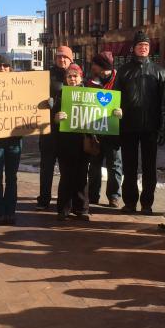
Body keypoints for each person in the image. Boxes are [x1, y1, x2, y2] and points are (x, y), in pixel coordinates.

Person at [54, 64, 122, 221]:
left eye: (75, 75)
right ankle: (63, 209)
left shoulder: (89, 94)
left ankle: (81, 209)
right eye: (69, 76)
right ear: (66, 78)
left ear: (80, 77)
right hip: (65, 143)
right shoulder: (60, 94)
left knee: (81, 176)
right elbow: (52, 118)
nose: (72, 79)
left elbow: (101, 112)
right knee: (66, 176)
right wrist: (57, 118)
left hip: (83, 142)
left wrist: (116, 114)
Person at [114, 30, 165, 215]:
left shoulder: (159, 72)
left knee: (149, 169)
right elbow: (114, 100)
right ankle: (130, 202)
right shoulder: (123, 71)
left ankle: (147, 203)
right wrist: (116, 124)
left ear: (149, 48)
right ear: (134, 48)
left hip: (150, 128)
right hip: (128, 127)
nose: (143, 48)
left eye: (146, 46)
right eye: (140, 45)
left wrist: (164, 128)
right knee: (129, 168)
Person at [0, 55, 23, 225]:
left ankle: (10, 210)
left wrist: (46, 104)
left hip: (14, 140)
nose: (2, 68)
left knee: (12, 177)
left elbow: (28, 105)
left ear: (10, 68)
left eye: (6, 65)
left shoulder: (20, 86)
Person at [37, 45, 72, 210]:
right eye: (59, 57)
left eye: (65, 57)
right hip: (49, 129)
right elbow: (34, 97)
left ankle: (65, 202)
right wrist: (48, 103)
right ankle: (44, 199)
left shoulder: (75, 75)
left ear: (70, 59)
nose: (62, 59)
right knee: (46, 167)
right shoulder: (46, 76)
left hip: (68, 131)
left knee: (67, 168)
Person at [86, 51, 122, 208]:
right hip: (96, 130)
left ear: (102, 67)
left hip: (114, 130)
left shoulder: (119, 80)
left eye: (95, 64)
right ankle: (93, 195)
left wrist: (122, 111)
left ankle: (113, 196)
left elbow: (126, 100)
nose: (92, 66)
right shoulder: (91, 81)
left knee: (114, 164)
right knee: (94, 164)